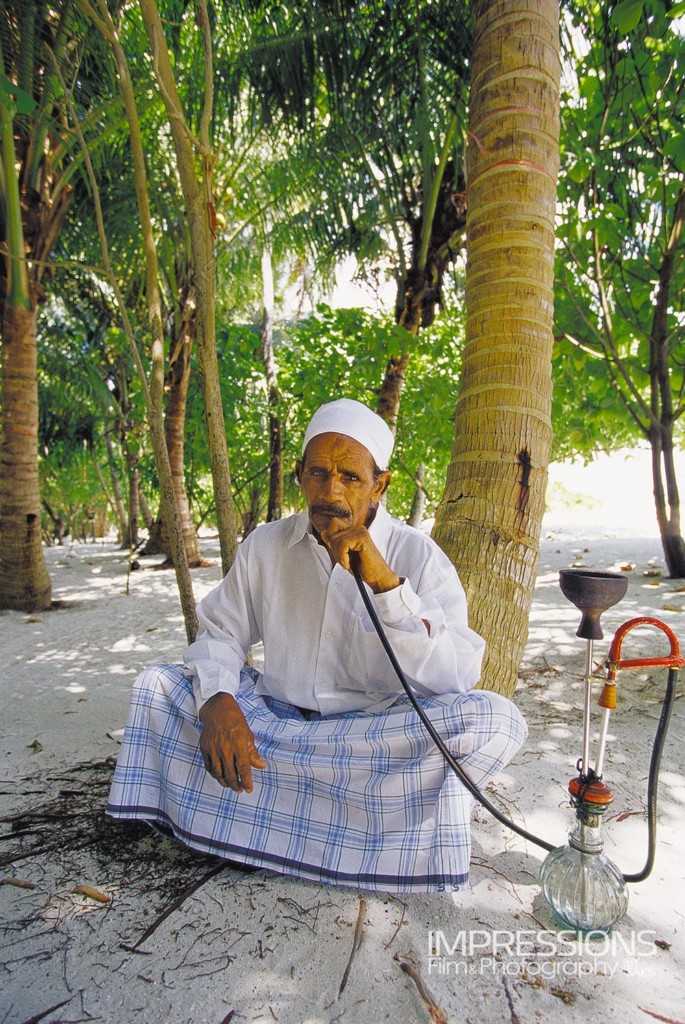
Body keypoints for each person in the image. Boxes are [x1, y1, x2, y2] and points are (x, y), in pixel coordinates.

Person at [107, 399, 527, 892]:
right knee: (157, 686)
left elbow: (457, 677)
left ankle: (254, 824)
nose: (331, 492)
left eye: (350, 476)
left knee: (496, 719)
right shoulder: (265, 546)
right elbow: (220, 633)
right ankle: (340, 835)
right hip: (273, 729)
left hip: (369, 742)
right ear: (299, 476)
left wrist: (388, 586)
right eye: (318, 473)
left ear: (380, 485)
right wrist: (218, 703)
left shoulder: (417, 555)